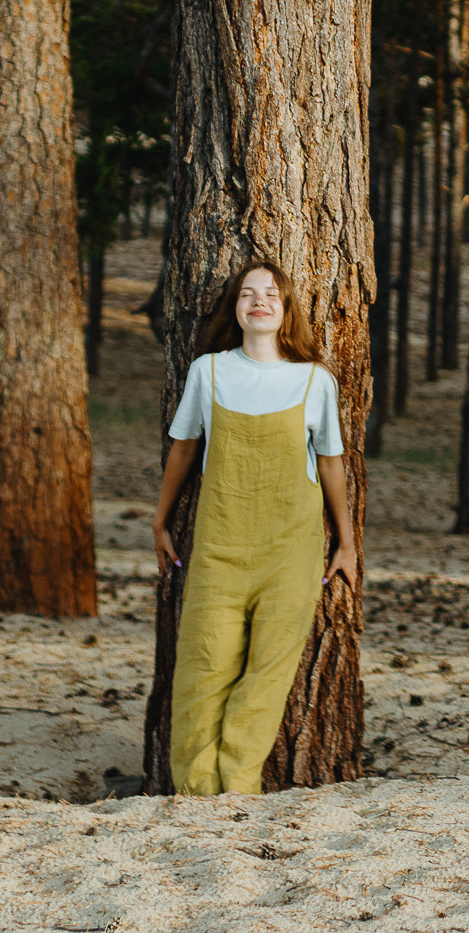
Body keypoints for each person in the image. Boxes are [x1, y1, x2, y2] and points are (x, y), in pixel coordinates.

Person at [151, 260, 358, 795]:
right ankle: (196, 792)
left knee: (267, 676)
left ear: (286, 310)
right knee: (203, 671)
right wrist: (161, 520)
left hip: (292, 552)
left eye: (271, 293)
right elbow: (184, 449)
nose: (259, 301)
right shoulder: (209, 371)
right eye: (247, 294)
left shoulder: (315, 380)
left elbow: (333, 463)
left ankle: (238, 783)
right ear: (236, 310)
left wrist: (348, 544)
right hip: (219, 550)